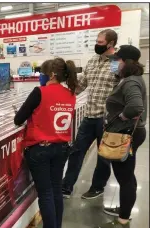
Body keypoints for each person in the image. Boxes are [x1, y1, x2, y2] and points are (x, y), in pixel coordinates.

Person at [14, 58, 78, 228]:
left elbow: (18, 120)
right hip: (61, 148)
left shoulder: (39, 92)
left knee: (46, 194)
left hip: (40, 150)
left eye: (41, 72)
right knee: (56, 190)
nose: (39, 76)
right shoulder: (70, 94)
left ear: (50, 75)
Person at [62, 29, 120, 200]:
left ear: (111, 44)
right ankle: (66, 186)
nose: (97, 44)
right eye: (97, 41)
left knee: (103, 157)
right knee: (76, 151)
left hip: (107, 119)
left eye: (100, 42)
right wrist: (65, 85)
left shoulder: (117, 62)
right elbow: (81, 85)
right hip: (89, 116)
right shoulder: (93, 60)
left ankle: (97, 187)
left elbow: (121, 87)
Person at [98, 45, 147, 228]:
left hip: (126, 133)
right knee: (127, 174)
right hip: (129, 133)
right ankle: (124, 209)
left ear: (126, 62)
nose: (114, 63)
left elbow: (135, 106)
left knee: (124, 177)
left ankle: (123, 222)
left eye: (117, 60)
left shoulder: (130, 82)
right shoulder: (129, 79)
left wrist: (121, 117)